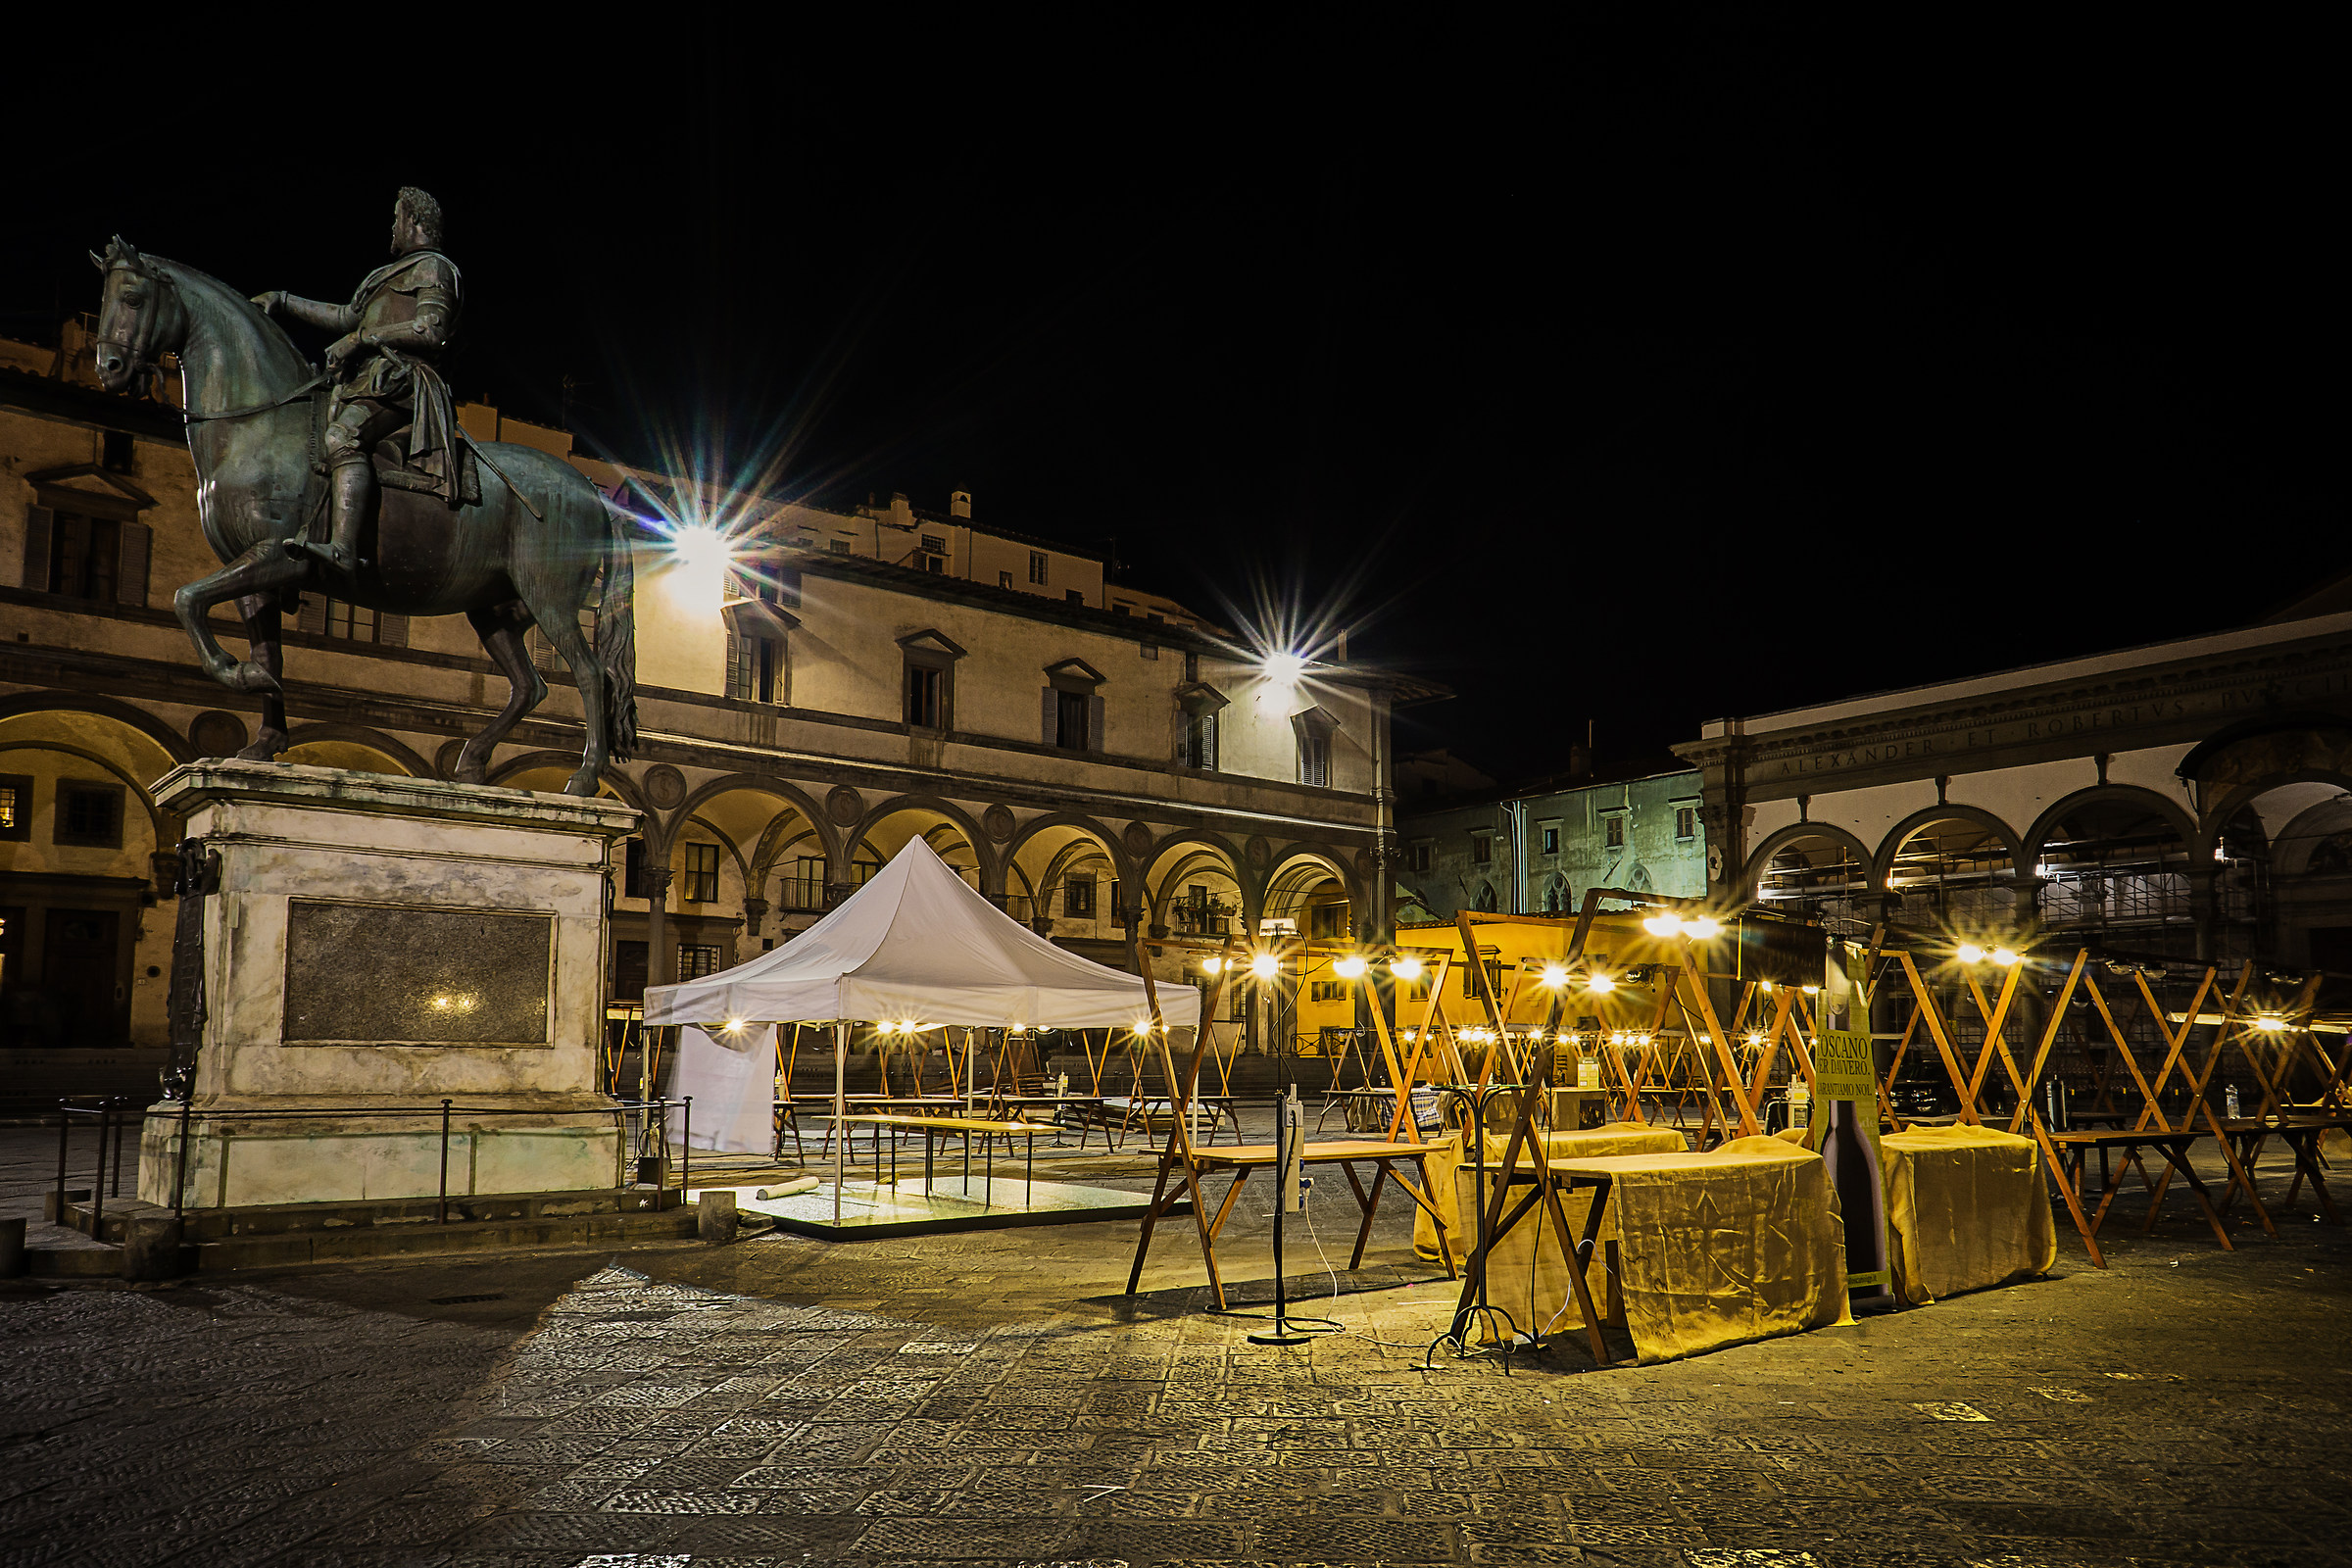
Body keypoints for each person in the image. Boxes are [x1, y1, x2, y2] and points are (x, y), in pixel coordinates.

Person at [253, 187, 463, 570]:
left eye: (396, 216)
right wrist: (282, 300)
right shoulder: (384, 276)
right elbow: (344, 316)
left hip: (403, 383)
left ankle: (343, 549)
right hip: (367, 383)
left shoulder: (434, 267)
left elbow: (431, 331)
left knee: (340, 438)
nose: (391, 226)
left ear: (413, 220)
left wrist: (360, 340)